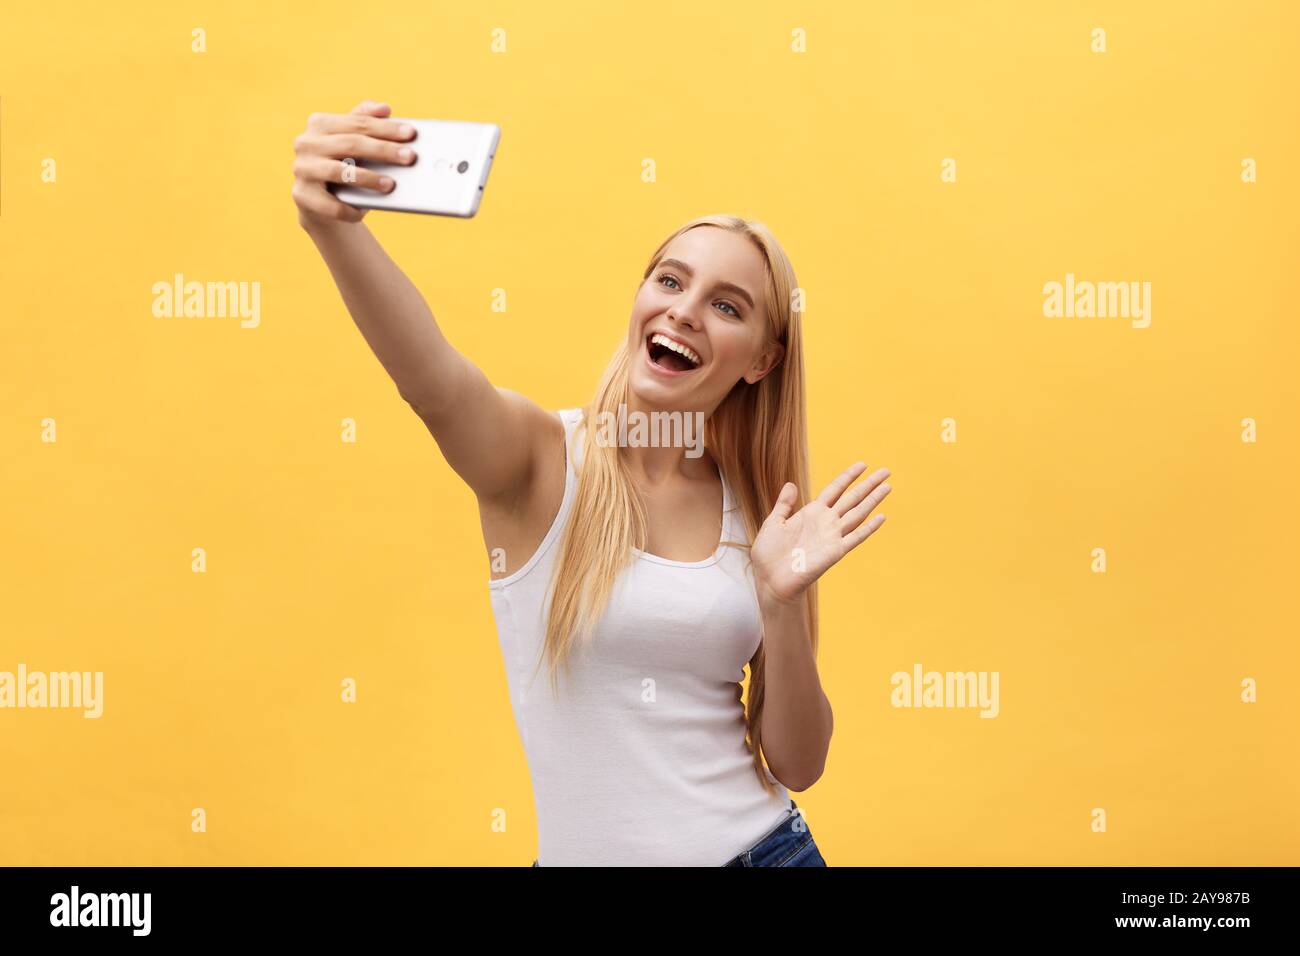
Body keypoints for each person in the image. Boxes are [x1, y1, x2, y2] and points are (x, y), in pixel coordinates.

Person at [292, 100, 893, 866]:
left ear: (761, 360)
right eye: (670, 280)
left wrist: (780, 606)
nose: (684, 311)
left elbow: (799, 764)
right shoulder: (540, 461)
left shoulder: (763, 517)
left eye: (727, 305)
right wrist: (335, 229)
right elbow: (434, 385)